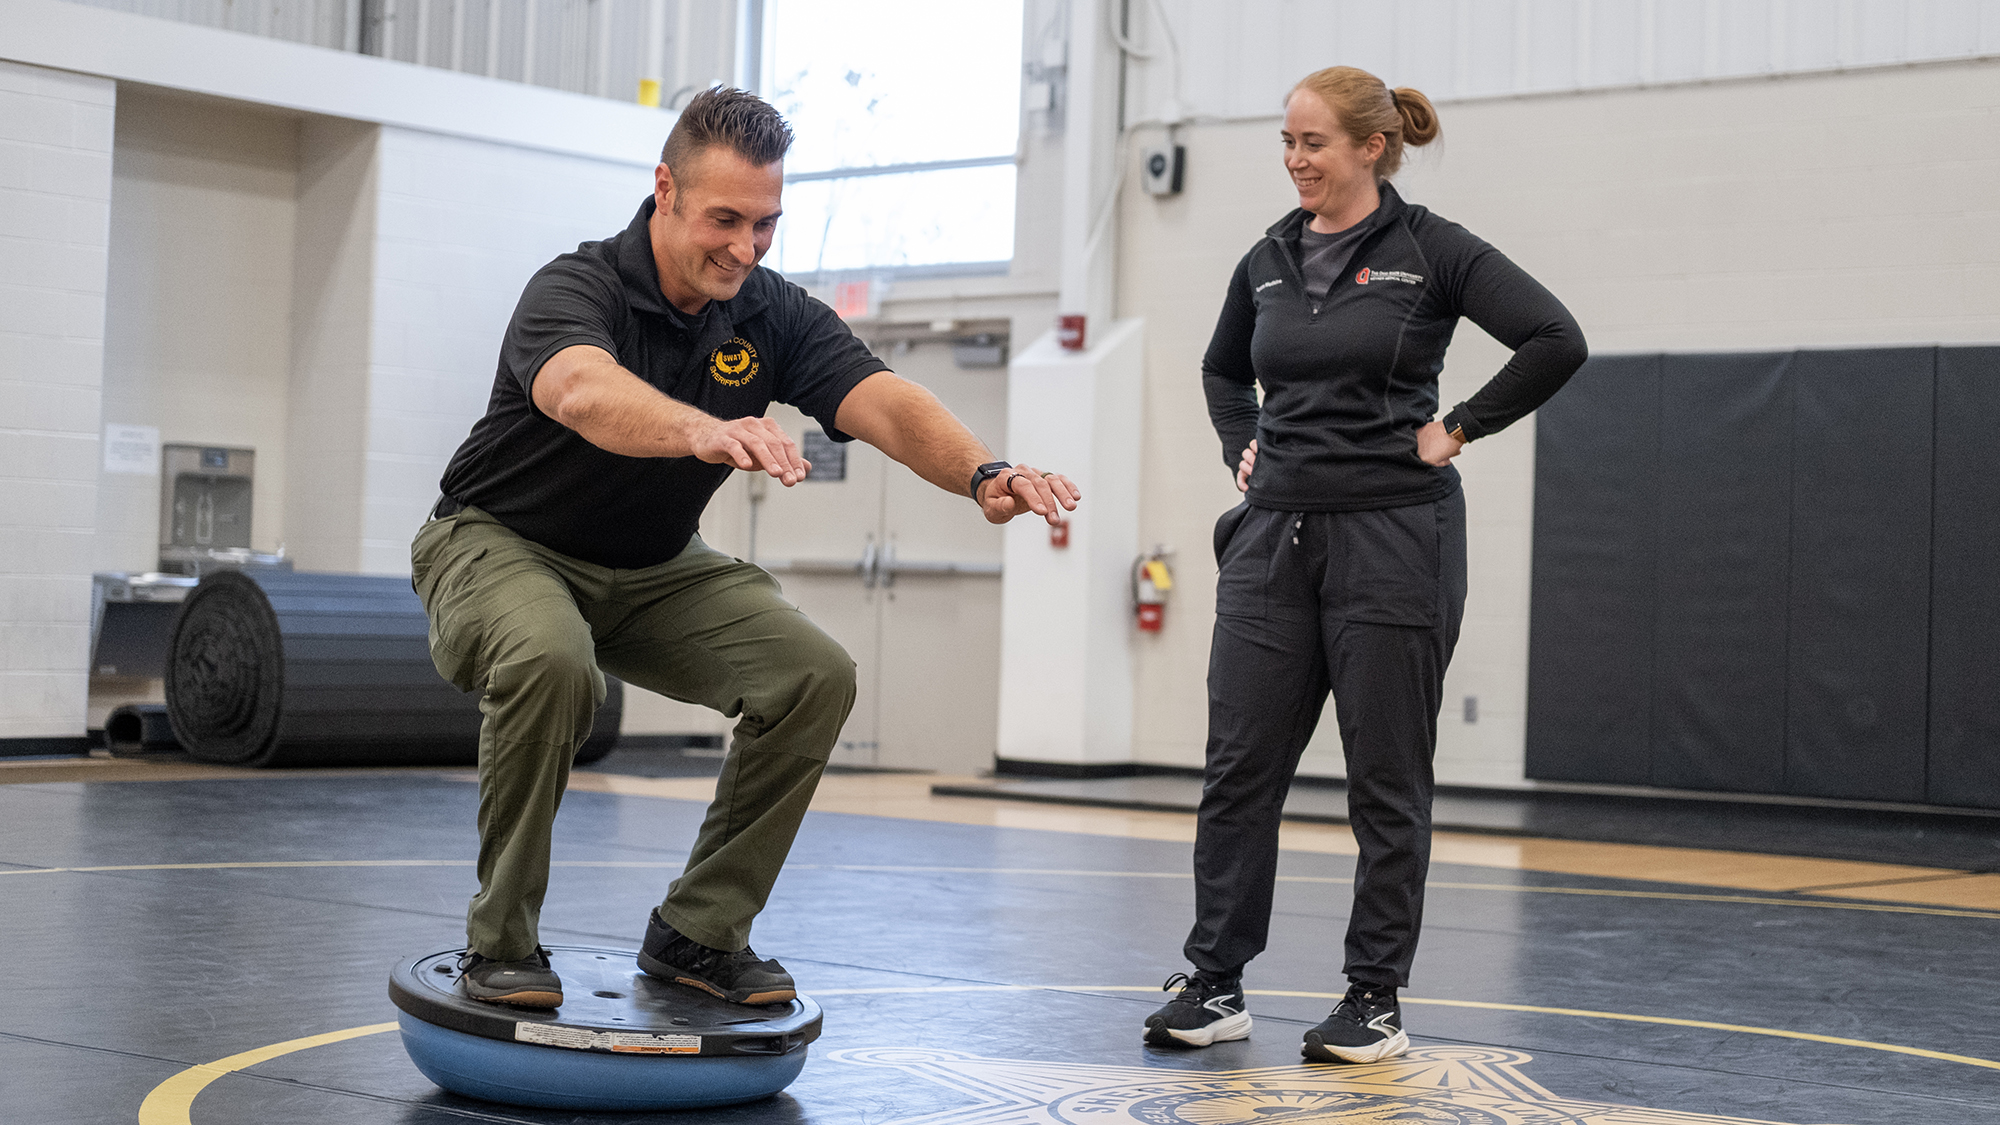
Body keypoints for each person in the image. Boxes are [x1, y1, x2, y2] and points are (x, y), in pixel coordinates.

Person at [413, 87, 1079, 1010]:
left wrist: (982, 472)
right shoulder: (577, 286)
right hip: (498, 542)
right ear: (665, 190)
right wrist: (698, 429)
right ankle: (503, 943)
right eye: (725, 218)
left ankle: (699, 931)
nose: (746, 245)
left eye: (766, 223)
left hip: (650, 565)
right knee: (552, 658)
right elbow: (578, 390)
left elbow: (881, 399)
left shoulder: (771, 312)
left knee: (813, 674)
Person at [1143, 66, 1586, 1062]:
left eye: (1313, 143)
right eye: (1287, 143)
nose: (1295, 160)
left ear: (1368, 148)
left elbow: (1555, 338)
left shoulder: (1430, 250)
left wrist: (1459, 426)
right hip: (1270, 537)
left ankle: (1372, 996)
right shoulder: (1264, 255)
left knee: (1383, 778)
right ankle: (1206, 984)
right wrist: (1237, 443)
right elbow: (1222, 367)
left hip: (1394, 539)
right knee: (1235, 772)